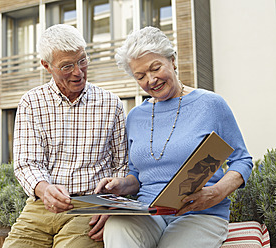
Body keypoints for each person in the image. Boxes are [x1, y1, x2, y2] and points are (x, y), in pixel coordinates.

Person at [95, 26, 253, 248]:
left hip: (201, 213)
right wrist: (120, 185)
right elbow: (136, 175)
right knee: (118, 226)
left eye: (155, 68)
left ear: (173, 60)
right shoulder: (135, 116)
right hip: (149, 213)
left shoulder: (211, 104)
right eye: (140, 76)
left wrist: (216, 193)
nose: (151, 80)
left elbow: (242, 160)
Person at [3, 24, 128, 248]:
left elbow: (122, 166)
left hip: (89, 207)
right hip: (41, 205)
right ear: (46, 66)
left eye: (82, 60)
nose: (78, 72)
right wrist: (44, 188)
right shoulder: (31, 103)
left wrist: (112, 205)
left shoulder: (112, 104)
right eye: (67, 66)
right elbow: (26, 163)